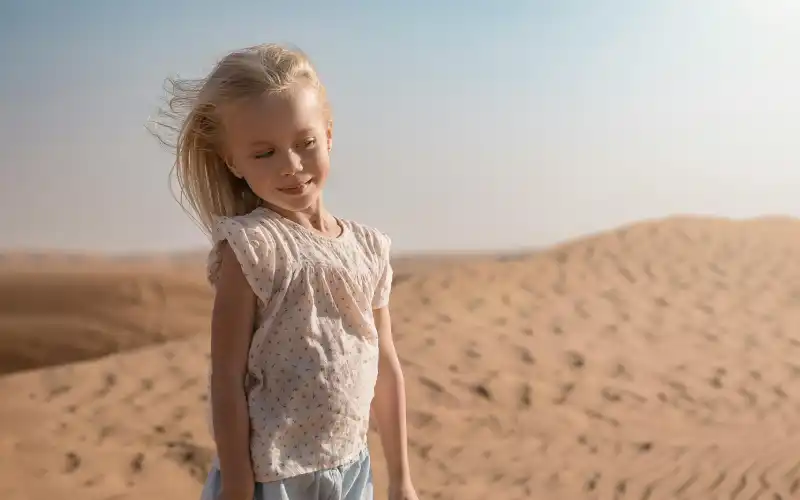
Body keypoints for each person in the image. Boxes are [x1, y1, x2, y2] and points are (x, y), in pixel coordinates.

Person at [151, 43, 419, 500]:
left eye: (305, 143)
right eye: (264, 153)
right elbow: (227, 379)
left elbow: (386, 368)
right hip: (272, 478)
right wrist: (237, 484)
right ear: (232, 162)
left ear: (329, 135)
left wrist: (401, 478)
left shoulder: (371, 248)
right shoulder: (252, 248)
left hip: (351, 471)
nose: (291, 166)